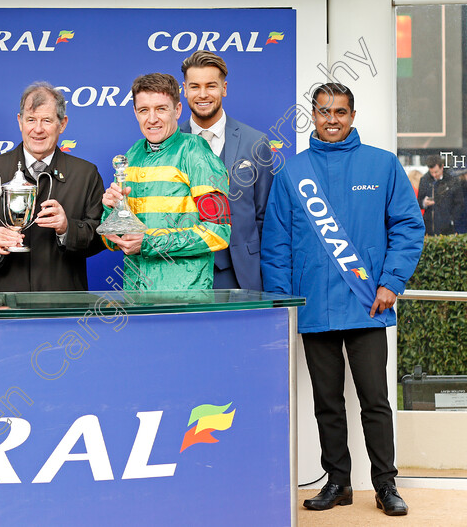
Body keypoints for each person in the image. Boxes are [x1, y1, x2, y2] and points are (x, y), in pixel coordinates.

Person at [261, 83, 424, 516]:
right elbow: (275, 245)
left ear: (353, 116)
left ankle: (386, 485)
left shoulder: (383, 165)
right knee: (327, 402)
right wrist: (282, 304)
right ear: (312, 116)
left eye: (340, 112)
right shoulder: (292, 173)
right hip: (313, 306)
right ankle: (338, 482)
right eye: (323, 111)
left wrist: (391, 282)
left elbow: (408, 228)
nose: (331, 119)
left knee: (375, 401)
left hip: (369, 305)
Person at [0, 82, 105, 291]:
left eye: (47, 120)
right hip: (1, 301)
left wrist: (68, 229)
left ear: (62, 124)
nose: (38, 130)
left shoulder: (86, 174)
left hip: (61, 303)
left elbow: (103, 237)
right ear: (20, 122)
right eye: (31, 120)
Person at [101, 72, 231, 290]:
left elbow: (218, 232)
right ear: (135, 112)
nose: (152, 119)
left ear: (177, 110)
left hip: (184, 300)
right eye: (144, 110)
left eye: (161, 108)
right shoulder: (131, 156)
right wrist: (110, 210)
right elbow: (112, 241)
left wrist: (150, 242)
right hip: (135, 297)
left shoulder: (196, 153)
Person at [179, 50, 274, 290]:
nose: (202, 94)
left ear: (224, 88)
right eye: (194, 86)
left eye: (211, 86)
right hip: (184, 272)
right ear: (184, 89)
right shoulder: (172, 143)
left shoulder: (255, 142)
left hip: (240, 274)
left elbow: (265, 217)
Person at [417, 155, 459, 235]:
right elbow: (418, 202)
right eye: (431, 172)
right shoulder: (424, 180)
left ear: (442, 167)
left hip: (447, 227)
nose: (434, 175)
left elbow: (459, 203)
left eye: (436, 172)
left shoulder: (451, 180)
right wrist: (424, 203)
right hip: (430, 225)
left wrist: (452, 219)